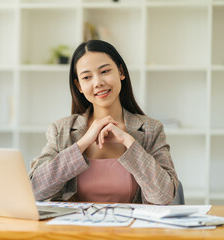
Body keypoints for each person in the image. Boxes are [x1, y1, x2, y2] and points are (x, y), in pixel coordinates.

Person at [29, 40, 178, 204]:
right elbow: (34, 190)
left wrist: (129, 143)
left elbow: (163, 197)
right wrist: (82, 144)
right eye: (87, 77)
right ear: (79, 86)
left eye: (105, 71)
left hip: (130, 229)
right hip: (75, 229)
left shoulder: (151, 130)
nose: (98, 82)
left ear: (121, 72)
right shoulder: (61, 130)